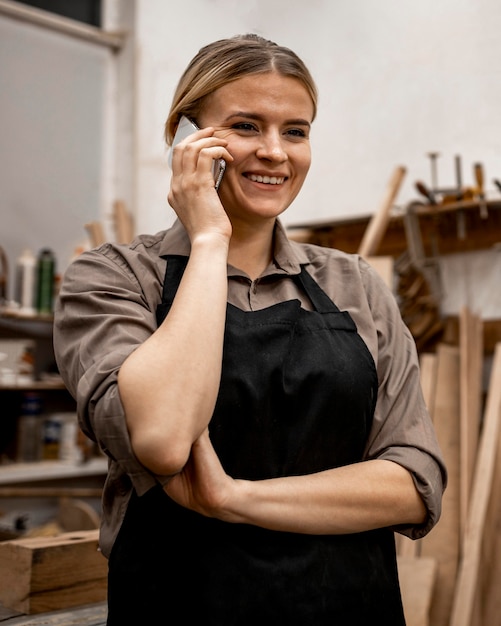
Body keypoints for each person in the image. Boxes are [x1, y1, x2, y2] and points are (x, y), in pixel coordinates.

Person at [54, 33, 447, 625]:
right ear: (191, 141)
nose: (275, 152)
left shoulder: (354, 284)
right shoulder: (114, 278)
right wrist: (209, 240)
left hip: (347, 609)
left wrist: (234, 499)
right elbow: (161, 439)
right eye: (245, 126)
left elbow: (414, 483)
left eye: (296, 131)